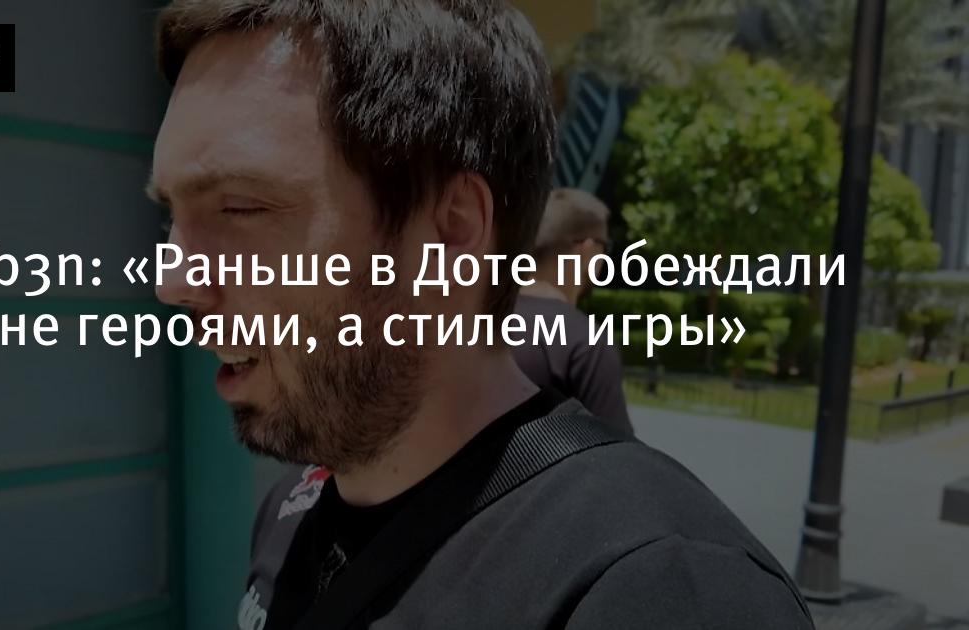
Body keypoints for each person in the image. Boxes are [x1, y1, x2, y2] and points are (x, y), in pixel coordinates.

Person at [149, 1, 814, 629]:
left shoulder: (661, 589)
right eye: (171, 217)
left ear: (453, 228)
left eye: (241, 208)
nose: (172, 282)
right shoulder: (289, 516)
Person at [513, 188, 633, 435]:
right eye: (605, 246)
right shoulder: (585, 341)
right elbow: (615, 451)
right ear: (588, 249)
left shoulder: (475, 320)